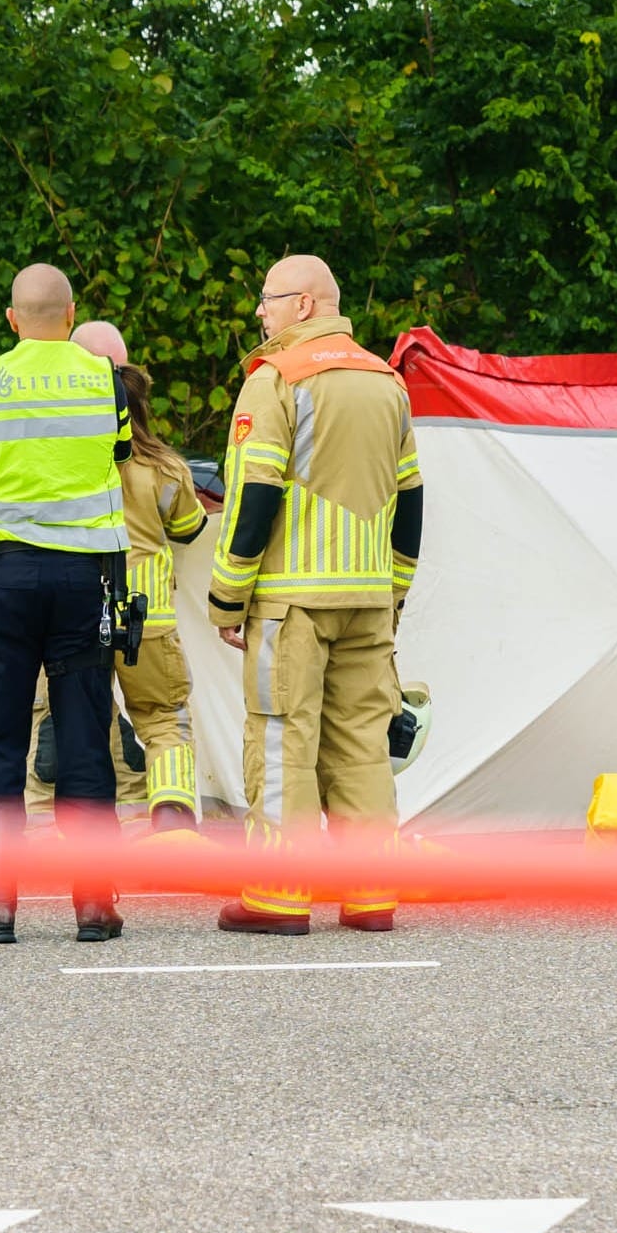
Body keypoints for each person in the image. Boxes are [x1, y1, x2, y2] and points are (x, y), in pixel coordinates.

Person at [206, 255, 422, 934]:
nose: (259, 312)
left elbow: (254, 495)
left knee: (281, 740)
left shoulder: (276, 380)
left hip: (290, 603)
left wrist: (227, 596)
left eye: (267, 299)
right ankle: (371, 893)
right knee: (362, 744)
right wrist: (394, 592)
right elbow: (412, 500)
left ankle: (278, 893)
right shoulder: (387, 381)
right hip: (368, 600)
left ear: (303, 304)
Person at [0, 265, 134, 945]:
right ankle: (95, 904)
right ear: (72, 313)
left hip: (2, 579)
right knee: (84, 737)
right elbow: (119, 452)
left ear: (11, 319)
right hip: (83, 580)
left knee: (0, 738)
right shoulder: (104, 381)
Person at [25, 320, 208, 834]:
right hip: (146, 616)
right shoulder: (163, 467)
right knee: (163, 718)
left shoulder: (56, 459)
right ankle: (168, 817)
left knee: (55, 716)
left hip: (73, 607)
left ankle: (43, 828)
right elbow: (190, 528)